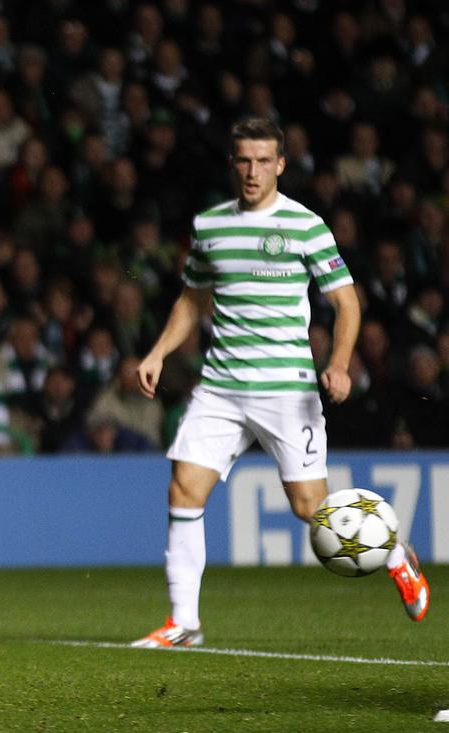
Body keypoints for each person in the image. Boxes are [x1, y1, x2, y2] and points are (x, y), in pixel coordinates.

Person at [131, 118, 429, 649]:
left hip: (286, 388)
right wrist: (157, 352)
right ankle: (184, 622)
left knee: (308, 508)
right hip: (221, 385)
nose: (253, 171)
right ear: (232, 163)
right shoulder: (210, 227)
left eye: (263, 161)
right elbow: (192, 300)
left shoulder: (306, 225)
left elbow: (346, 302)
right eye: (244, 160)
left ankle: (393, 552)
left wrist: (338, 363)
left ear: (281, 165)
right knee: (183, 488)